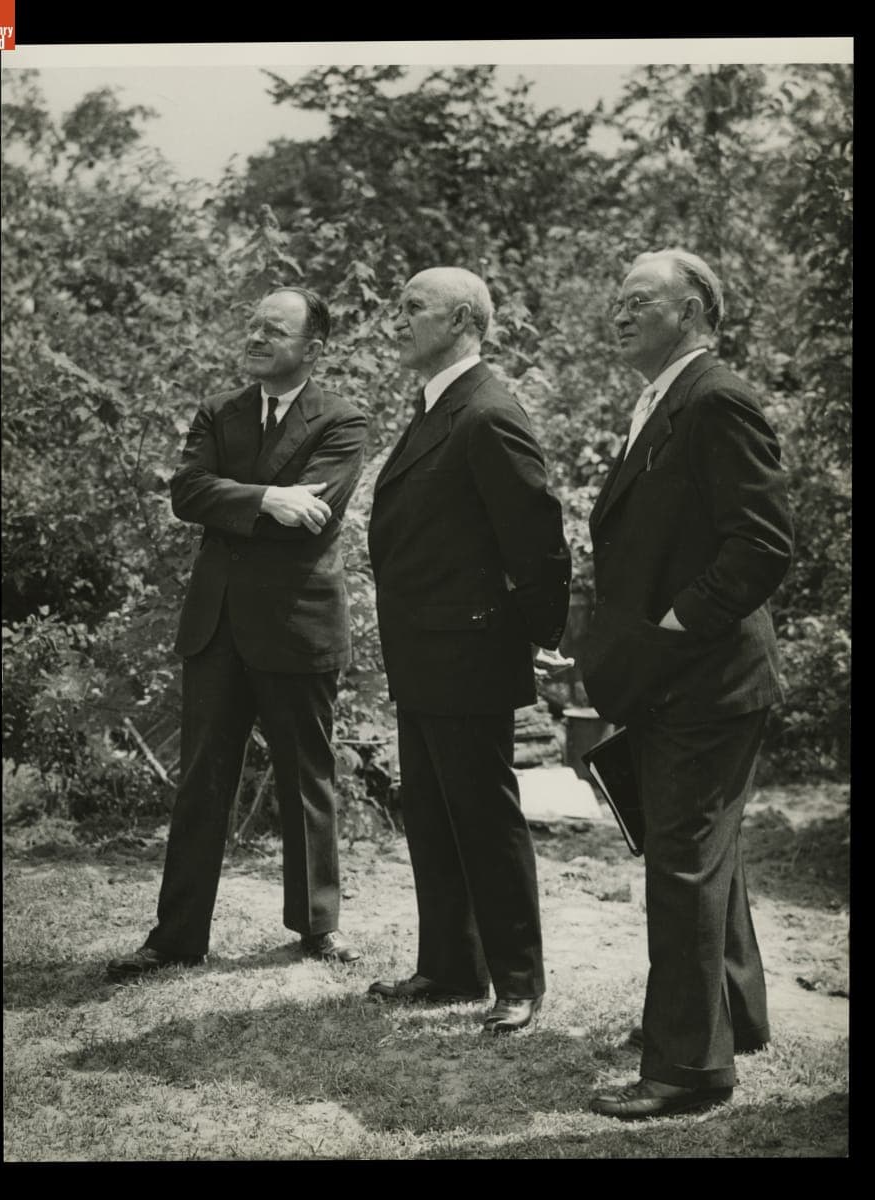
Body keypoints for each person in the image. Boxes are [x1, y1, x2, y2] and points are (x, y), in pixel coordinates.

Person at [580, 249, 793, 1118]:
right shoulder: (665, 396)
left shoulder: (716, 398)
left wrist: (674, 624)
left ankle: (685, 1070)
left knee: (681, 868)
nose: (618, 313)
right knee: (705, 862)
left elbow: (762, 543)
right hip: (680, 680)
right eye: (616, 299)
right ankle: (730, 1019)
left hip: (705, 679)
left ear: (694, 309)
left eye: (639, 300)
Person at [107, 287, 368, 979]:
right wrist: (264, 500)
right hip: (217, 626)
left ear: (312, 348)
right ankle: (175, 937)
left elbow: (317, 510)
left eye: (272, 330)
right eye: (251, 325)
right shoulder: (218, 412)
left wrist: (250, 502)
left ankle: (316, 925)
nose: (254, 337)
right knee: (200, 781)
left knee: (306, 778)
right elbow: (185, 492)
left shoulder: (343, 419)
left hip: (296, 624)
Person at [366, 267, 571, 1034]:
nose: (399, 318)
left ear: (460, 319)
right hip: (423, 653)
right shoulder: (435, 407)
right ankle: (450, 966)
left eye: (411, 306)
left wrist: (526, 639)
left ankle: (517, 982)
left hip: (467, 652)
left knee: (483, 820)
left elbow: (539, 540)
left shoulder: (485, 412)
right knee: (432, 814)